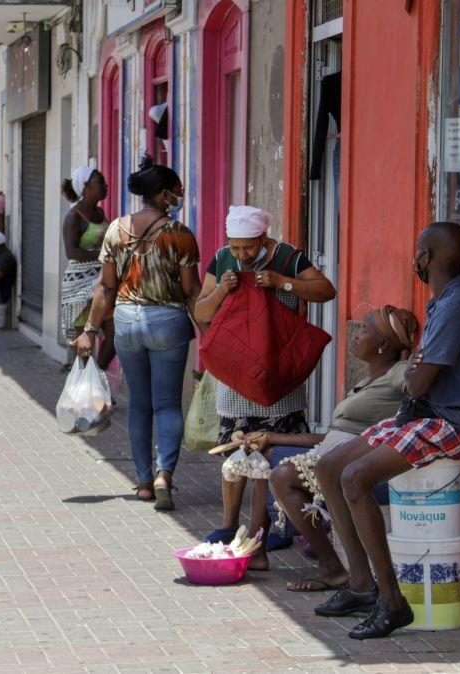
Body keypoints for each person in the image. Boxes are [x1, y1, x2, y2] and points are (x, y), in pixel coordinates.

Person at [313, 221, 460, 640]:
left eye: (418, 252)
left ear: (426, 258)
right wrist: (416, 366)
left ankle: (392, 602)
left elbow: (414, 381)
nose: (415, 259)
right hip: (424, 416)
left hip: (452, 422)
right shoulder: (444, 303)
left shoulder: (457, 307)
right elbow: (416, 370)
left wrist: (416, 367)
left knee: (355, 478)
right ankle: (360, 585)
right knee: (329, 467)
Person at [192, 205, 336, 561]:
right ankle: (230, 526)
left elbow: (325, 290)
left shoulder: (286, 257)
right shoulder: (222, 260)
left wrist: (281, 282)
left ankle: (268, 530)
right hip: (237, 374)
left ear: (262, 238)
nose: (240, 255)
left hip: (278, 372)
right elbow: (201, 312)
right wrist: (222, 291)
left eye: (248, 247)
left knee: (267, 459)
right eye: (235, 247)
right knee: (235, 452)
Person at [74, 154, 202, 512]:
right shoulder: (179, 234)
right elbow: (192, 291)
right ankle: (165, 475)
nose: (179, 196)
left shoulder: (116, 229)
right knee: (167, 404)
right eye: (175, 191)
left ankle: (144, 482)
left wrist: (90, 331)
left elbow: (106, 288)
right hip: (168, 322)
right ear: (161, 195)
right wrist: (208, 332)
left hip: (127, 323)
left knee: (139, 406)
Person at [260, 306, 418, 585]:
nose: (356, 334)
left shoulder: (396, 372)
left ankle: (331, 566)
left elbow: (412, 384)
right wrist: (272, 437)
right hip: (330, 455)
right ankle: (254, 549)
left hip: (358, 466)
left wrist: (420, 368)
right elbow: (332, 435)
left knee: (282, 475)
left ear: (383, 345)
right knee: (264, 458)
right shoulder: (365, 382)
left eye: (365, 330)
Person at [60, 166, 115, 372]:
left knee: (114, 335)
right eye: (100, 182)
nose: (105, 186)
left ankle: (97, 378)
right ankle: (83, 391)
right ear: (85, 187)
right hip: (79, 287)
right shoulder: (74, 217)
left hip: (102, 283)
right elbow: (72, 252)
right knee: (83, 344)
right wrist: (104, 254)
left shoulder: (100, 213)